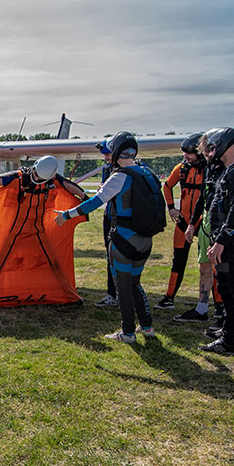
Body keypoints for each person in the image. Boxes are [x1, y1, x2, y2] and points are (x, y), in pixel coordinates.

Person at [55, 132, 158, 344]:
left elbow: (93, 203)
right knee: (135, 284)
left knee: (123, 286)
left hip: (123, 239)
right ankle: (147, 327)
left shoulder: (119, 176)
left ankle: (128, 333)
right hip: (145, 240)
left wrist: (66, 215)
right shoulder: (148, 172)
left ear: (118, 151)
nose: (107, 156)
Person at [201, 127, 234, 355]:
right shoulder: (230, 171)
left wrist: (221, 241)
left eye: (212, 147)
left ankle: (230, 340)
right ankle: (227, 330)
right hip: (225, 240)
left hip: (227, 243)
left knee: (229, 288)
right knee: (227, 285)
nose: (211, 153)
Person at [173, 138, 225, 326]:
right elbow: (202, 198)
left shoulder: (230, 170)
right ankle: (202, 308)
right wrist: (192, 224)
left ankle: (223, 310)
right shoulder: (209, 170)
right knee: (204, 267)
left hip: (221, 229)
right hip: (206, 225)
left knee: (222, 269)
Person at [157, 133, 207, 309]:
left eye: (189, 153)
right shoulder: (181, 168)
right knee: (178, 260)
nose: (185, 156)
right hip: (183, 221)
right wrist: (171, 207)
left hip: (203, 223)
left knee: (208, 264)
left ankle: (217, 304)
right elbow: (167, 185)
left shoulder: (209, 169)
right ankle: (169, 297)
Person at [93, 142, 119, 308]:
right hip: (109, 215)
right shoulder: (107, 169)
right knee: (110, 256)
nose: (106, 158)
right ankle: (112, 293)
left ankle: (123, 294)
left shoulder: (132, 170)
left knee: (121, 258)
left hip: (122, 219)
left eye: (108, 154)